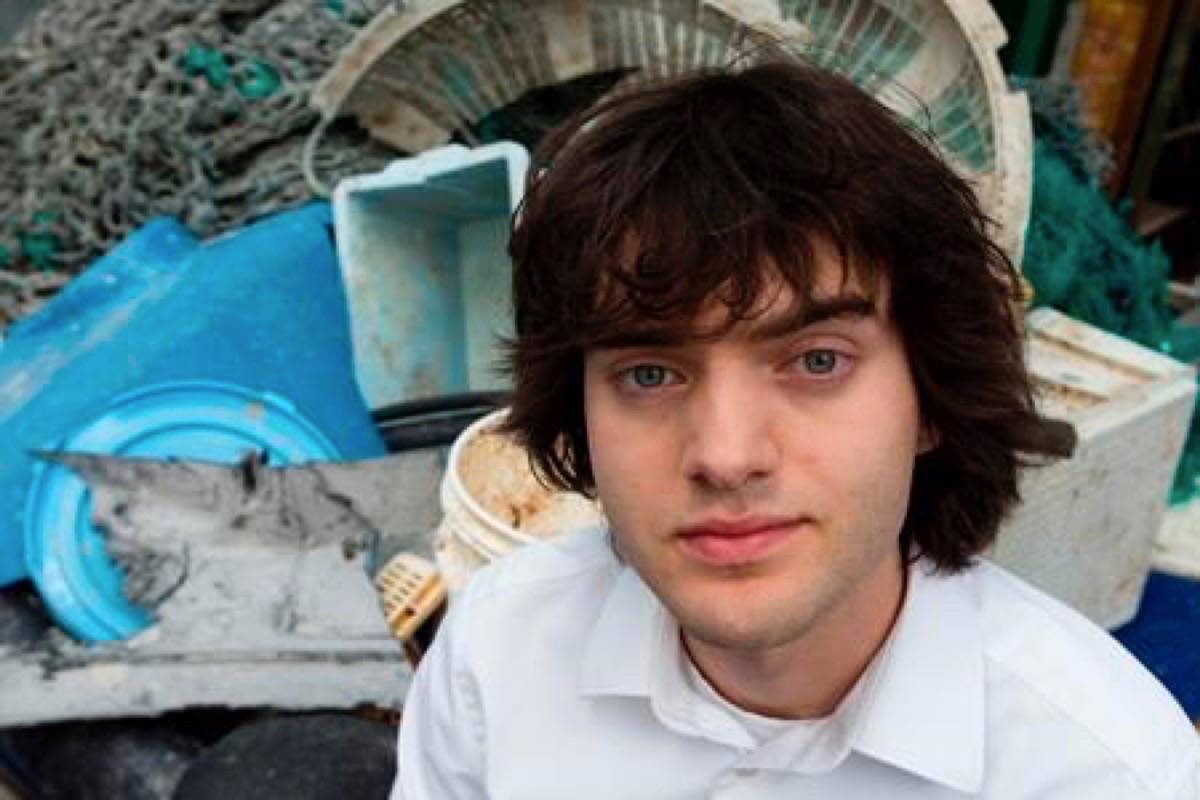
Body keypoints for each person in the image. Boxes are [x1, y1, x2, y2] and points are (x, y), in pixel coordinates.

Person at [391, 53, 1200, 798]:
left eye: (817, 361)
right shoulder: (494, 657)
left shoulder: (1107, 773)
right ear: (580, 415)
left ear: (929, 397)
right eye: (649, 373)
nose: (726, 455)